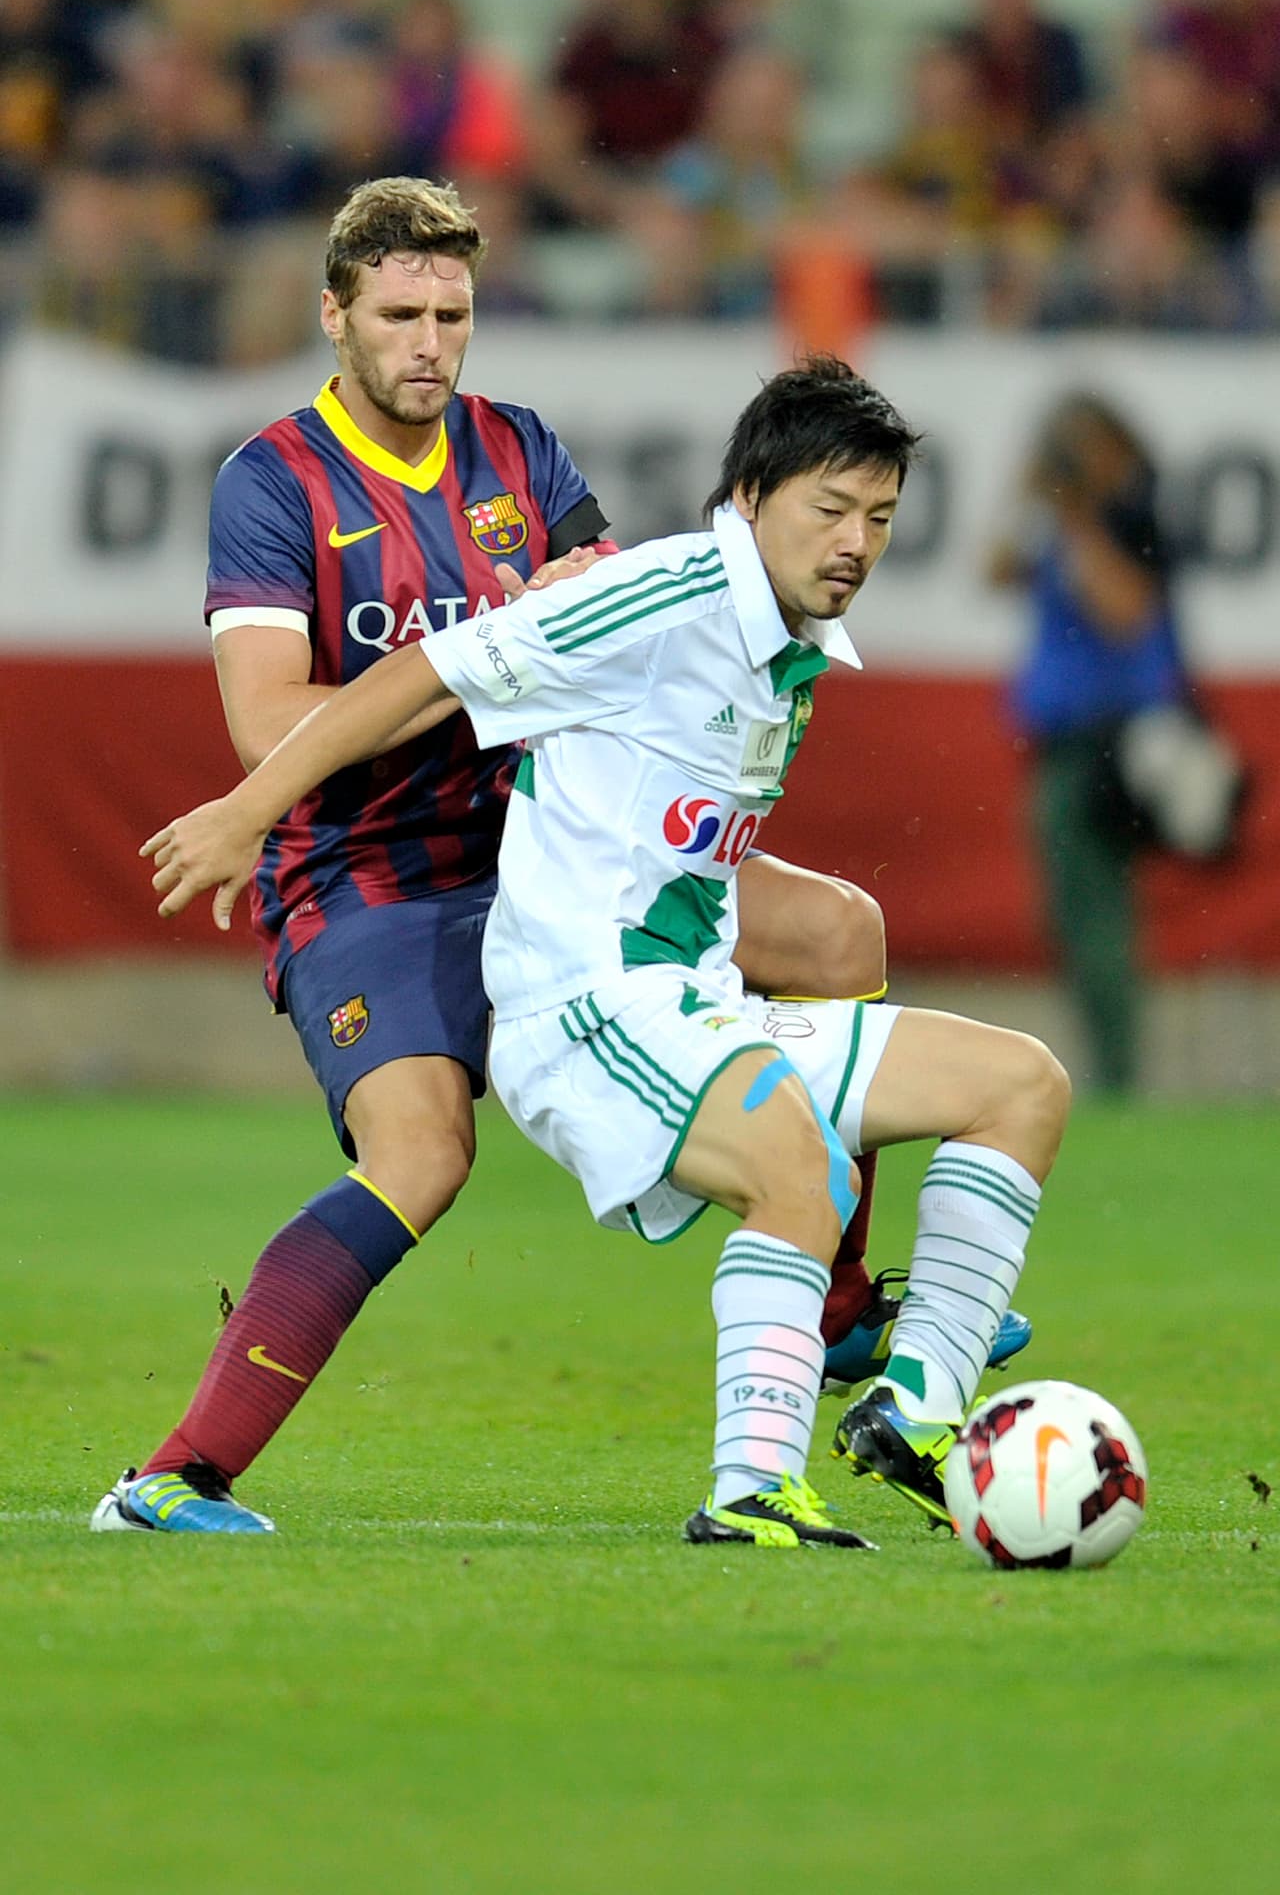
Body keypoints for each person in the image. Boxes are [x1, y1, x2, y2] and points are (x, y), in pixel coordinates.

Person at [89, 176, 965, 1537]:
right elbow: (269, 720)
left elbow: (605, 616)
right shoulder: (274, 482)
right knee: (422, 1156)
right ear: (334, 316)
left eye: (451, 315)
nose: (429, 344)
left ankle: (841, 1308)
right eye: (399, 316)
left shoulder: (518, 447)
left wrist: (557, 626)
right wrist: (484, 667)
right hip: (367, 868)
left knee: (840, 931)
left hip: (546, 845)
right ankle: (175, 1477)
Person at [989, 393, 1191, 1091]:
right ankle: (1110, 1067)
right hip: (1062, 742)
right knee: (1075, 912)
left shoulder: (1132, 520)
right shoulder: (1058, 525)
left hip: (1113, 744)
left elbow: (1124, 612)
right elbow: (994, 569)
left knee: (1099, 909)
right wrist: (1029, 500)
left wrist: (1077, 520)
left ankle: (1116, 1073)